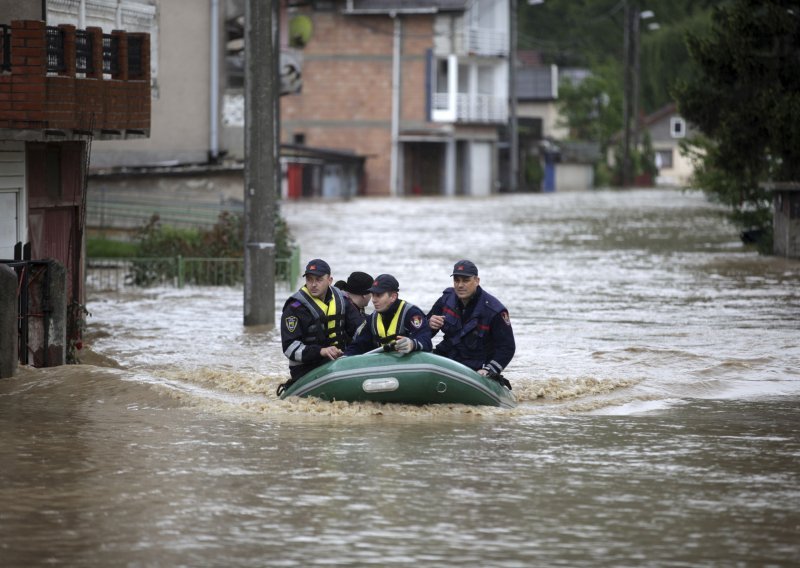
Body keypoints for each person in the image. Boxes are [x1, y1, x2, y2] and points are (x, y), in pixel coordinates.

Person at [279, 259, 364, 391]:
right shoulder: (294, 308)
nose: (313, 284)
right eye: (309, 279)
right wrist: (321, 351)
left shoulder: (342, 300)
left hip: (341, 361)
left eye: (318, 279)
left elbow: (360, 330)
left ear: (329, 280)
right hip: (307, 368)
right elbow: (290, 347)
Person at [427, 260, 515, 387]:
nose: (460, 285)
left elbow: (507, 347)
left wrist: (489, 370)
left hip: (476, 367)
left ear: (477, 281)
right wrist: (428, 324)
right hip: (447, 359)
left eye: (466, 280)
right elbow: (423, 334)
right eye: (457, 280)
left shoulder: (495, 310)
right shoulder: (445, 300)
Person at [344, 274, 432, 356]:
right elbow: (357, 346)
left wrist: (412, 344)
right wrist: (344, 357)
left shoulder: (412, 314)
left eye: (378, 295)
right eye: (373, 295)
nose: (374, 300)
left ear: (393, 297)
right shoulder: (371, 320)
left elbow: (426, 340)